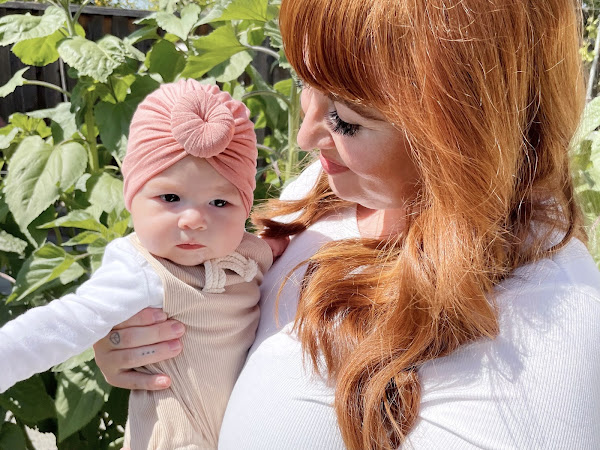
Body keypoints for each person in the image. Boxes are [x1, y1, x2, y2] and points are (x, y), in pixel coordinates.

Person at [94, 1, 600, 449]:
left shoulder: (546, 329)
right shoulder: (333, 187)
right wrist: (154, 337)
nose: (305, 135)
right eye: (305, 82)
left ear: (466, 131)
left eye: (346, 119)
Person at [0, 79, 276, 449]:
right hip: (177, 435)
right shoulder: (143, 271)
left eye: (220, 203)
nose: (194, 219)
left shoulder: (250, 253)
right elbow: (62, 323)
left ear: (245, 207)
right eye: (171, 197)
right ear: (132, 199)